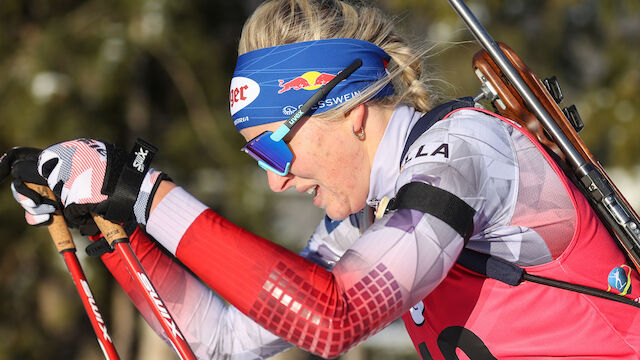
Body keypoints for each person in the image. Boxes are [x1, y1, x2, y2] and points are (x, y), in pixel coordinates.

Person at [3, 0, 640, 358]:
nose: (277, 183)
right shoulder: (365, 217)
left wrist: (145, 189)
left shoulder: (467, 155)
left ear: (351, 112)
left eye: (274, 151)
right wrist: (120, 229)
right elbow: (221, 340)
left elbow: (332, 316)